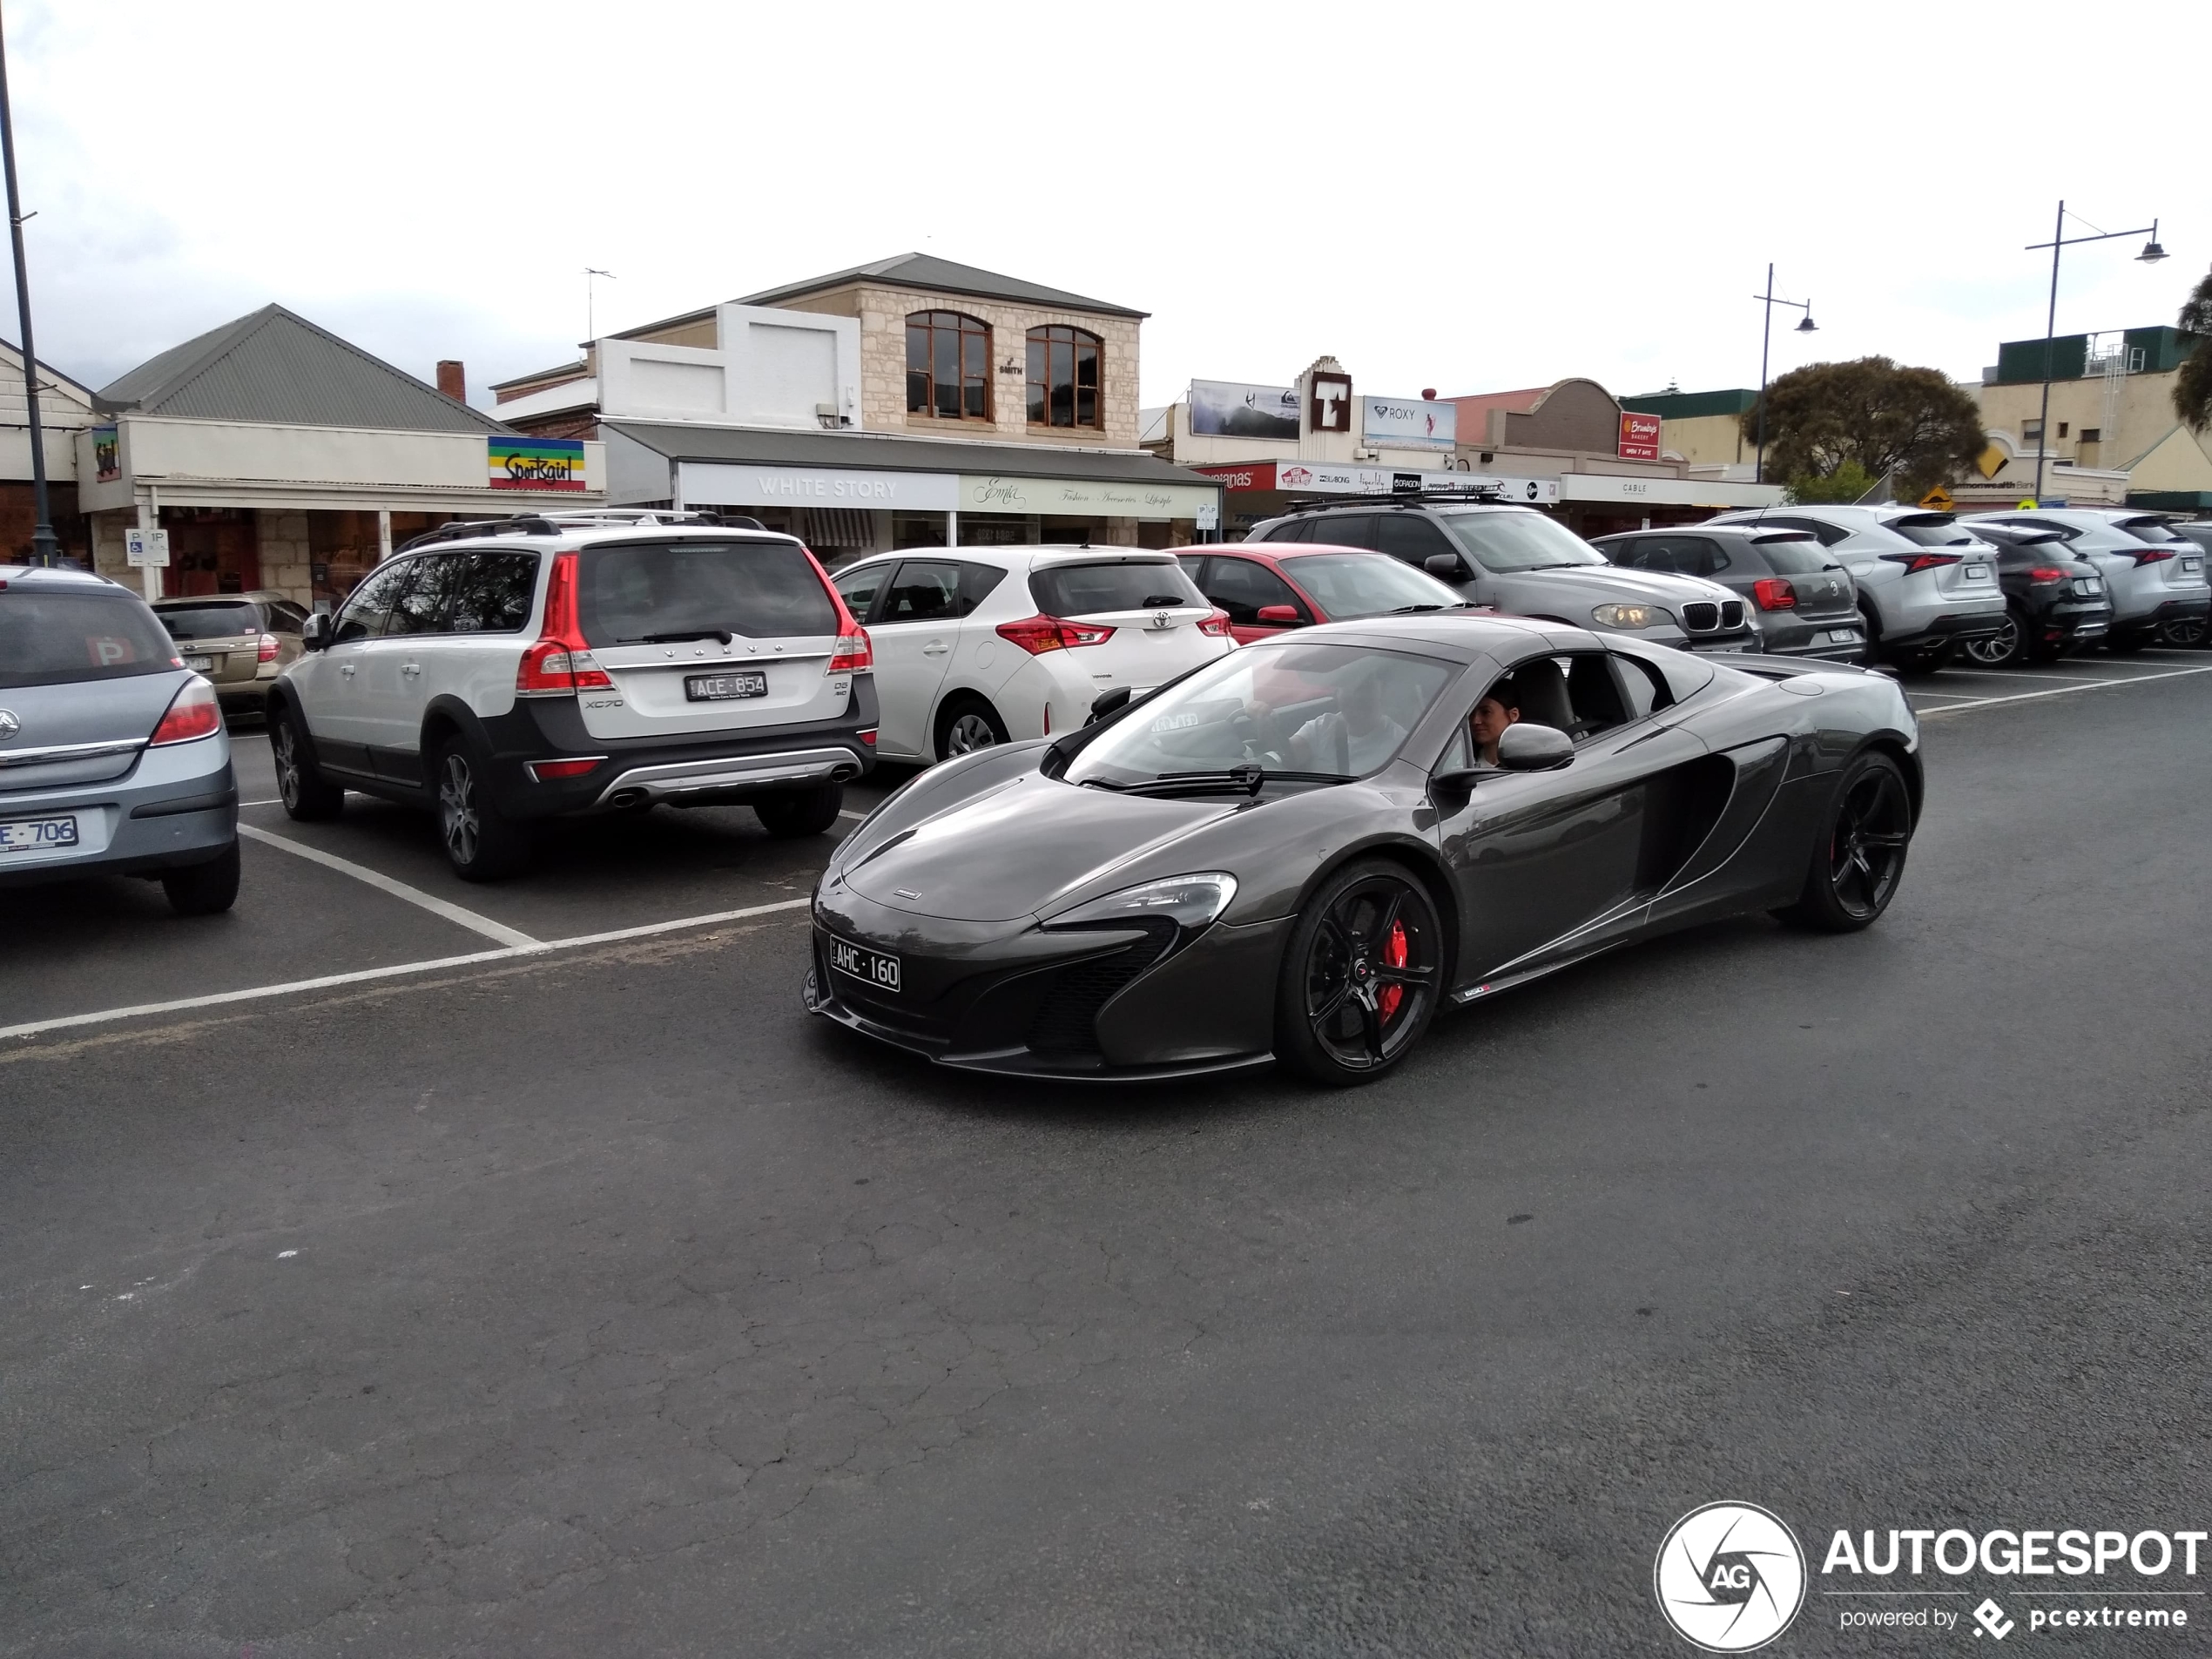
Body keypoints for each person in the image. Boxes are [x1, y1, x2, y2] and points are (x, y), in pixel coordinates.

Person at [1469, 679, 1521, 766]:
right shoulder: (1459, 762)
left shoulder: (1527, 767)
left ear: (1513, 715)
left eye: (1485, 712)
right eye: (1471, 713)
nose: (1475, 721)